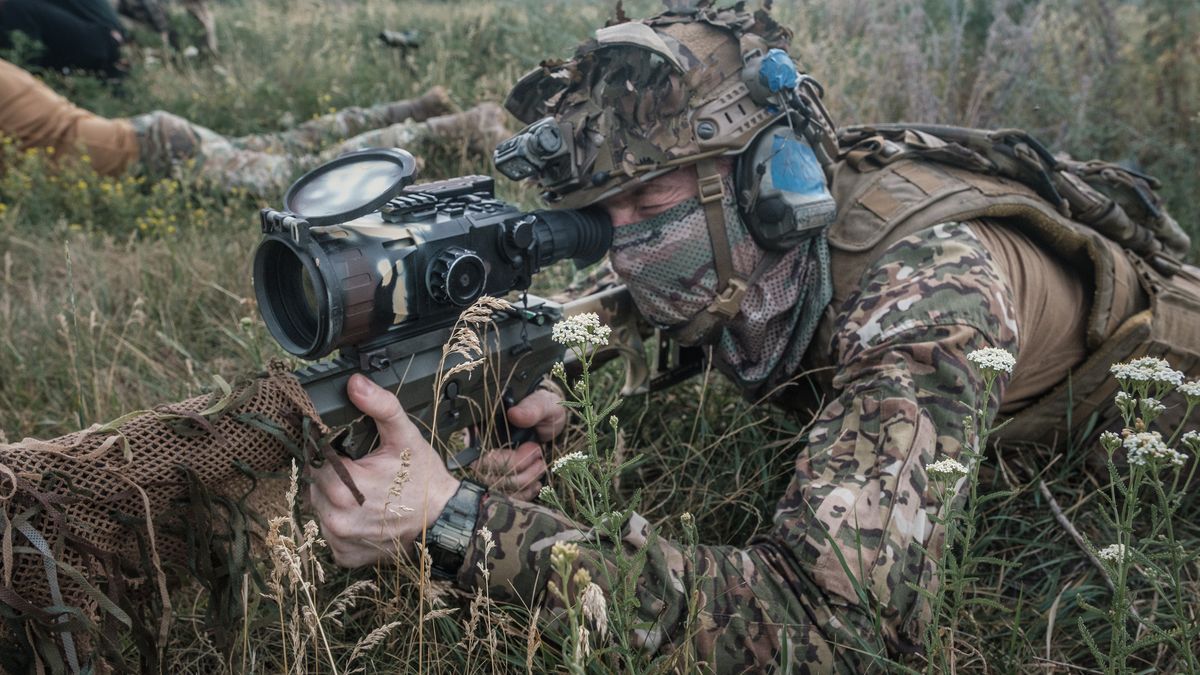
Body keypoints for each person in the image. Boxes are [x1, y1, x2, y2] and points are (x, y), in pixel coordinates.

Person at [308, 5, 1200, 670]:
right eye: (596, 216)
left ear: (772, 185)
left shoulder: (931, 285)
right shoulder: (736, 248)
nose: (624, 243)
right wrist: (526, 408)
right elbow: (598, 321)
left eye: (651, 205)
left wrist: (459, 521)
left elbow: (834, 627)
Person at [0, 57, 509, 196]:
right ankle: (412, 109)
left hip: (153, 154)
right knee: (290, 142)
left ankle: (453, 127)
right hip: (149, 134)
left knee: (296, 169)